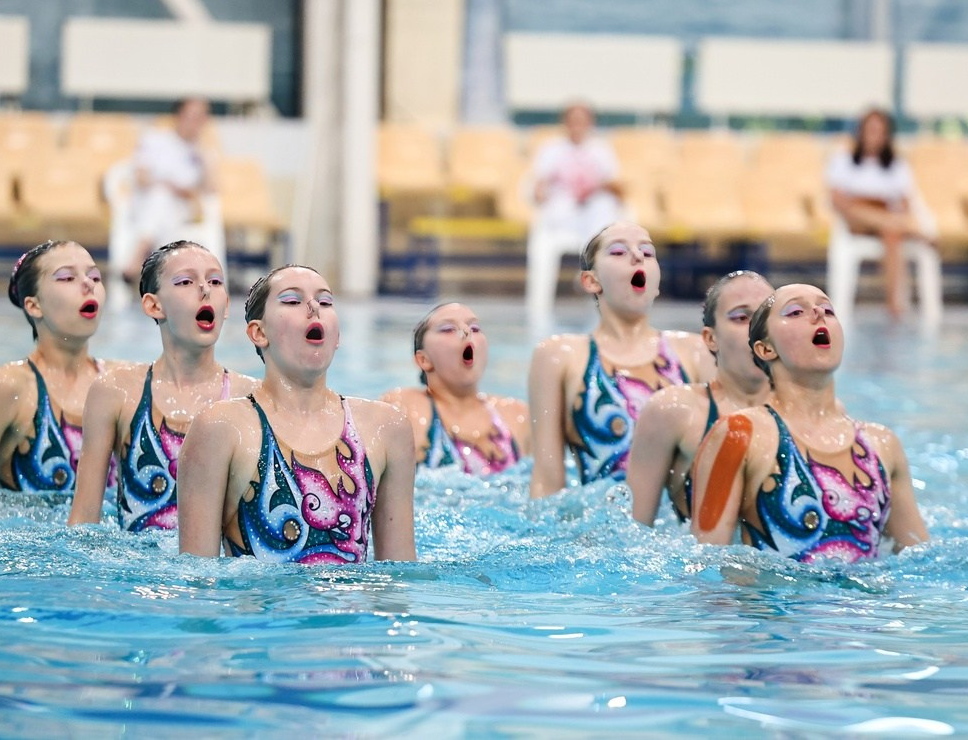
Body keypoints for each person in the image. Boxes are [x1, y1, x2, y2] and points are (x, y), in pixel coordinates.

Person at [177, 265, 417, 563]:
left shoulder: (385, 427)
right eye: (292, 301)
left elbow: (399, 576)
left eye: (326, 302)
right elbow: (196, 576)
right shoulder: (222, 428)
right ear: (259, 332)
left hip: (352, 609)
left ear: (338, 335)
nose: (314, 307)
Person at [691, 284, 929, 562]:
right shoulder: (740, 434)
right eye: (795, 312)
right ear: (766, 348)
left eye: (827, 309)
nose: (818, 313)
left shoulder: (881, 444)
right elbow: (706, 565)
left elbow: (920, 560)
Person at [69, 241, 259, 531]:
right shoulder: (116, 392)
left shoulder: (251, 398)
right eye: (186, 281)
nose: (205, 289)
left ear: (226, 306)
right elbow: (83, 522)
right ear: (153, 305)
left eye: (215, 281)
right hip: (134, 569)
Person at [528, 221, 712, 497]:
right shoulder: (560, 356)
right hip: (598, 532)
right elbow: (547, 478)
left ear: (657, 282)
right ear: (591, 281)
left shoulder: (696, 352)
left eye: (647, 253)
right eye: (618, 252)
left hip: (678, 532)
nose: (637, 256)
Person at [0, 241, 108, 496]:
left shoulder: (119, 384)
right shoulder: (9, 387)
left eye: (95, 277)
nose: (88, 284)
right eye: (67, 278)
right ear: (33, 306)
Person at [625, 271, 773, 525]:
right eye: (741, 317)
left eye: (766, 315)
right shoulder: (673, 412)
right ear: (710, 338)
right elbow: (632, 532)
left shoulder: (811, 413)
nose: (757, 328)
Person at [380, 302, 530, 475]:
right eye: (448, 329)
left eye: (474, 328)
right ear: (423, 360)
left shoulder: (516, 414)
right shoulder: (404, 407)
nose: (466, 332)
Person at [826, 109, 929, 320]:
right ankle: (914, 231)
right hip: (855, 217)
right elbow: (837, 200)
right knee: (885, 221)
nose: (875, 136)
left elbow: (905, 202)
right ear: (861, 132)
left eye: (880, 131)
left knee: (891, 232)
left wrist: (891, 214)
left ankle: (894, 304)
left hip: (886, 219)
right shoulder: (843, 161)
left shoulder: (897, 166)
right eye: (870, 130)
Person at [122, 98, 216, 283]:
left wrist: (206, 161)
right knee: (161, 197)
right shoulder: (155, 140)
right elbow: (140, 178)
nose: (196, 122)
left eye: (202, 117)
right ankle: (156, 270)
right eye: (192, 116)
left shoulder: (202, 153)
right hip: (146, 204)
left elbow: (210, 192)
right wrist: (167, 185)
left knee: (164, 202)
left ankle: (139, 259)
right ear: (179, 116)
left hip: (181, 210)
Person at [530, 103, 625, 241]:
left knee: (603, 207)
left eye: (581, 121)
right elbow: (539, 184)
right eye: (573, 121)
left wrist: (593, 189)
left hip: (593, 208)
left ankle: (594, 255)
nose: (577, 126)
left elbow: (615, 186)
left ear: (590, 123)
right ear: (565, 122)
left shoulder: (601, 149)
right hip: (563, 208)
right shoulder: (551, 149)